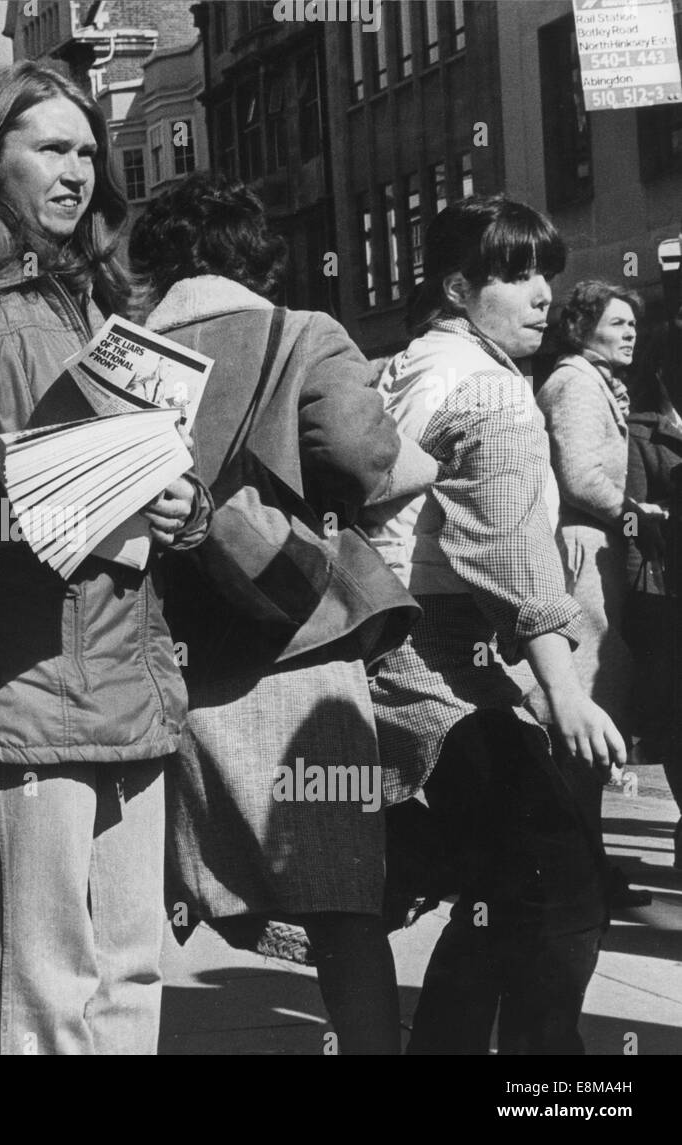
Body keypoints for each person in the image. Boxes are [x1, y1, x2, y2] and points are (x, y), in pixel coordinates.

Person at [0, 61, 208, 1055]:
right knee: (41, 980)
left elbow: (157, 487)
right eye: (49, 150)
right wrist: (90, 475)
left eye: (84, 152)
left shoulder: (103, 307)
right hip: (26, 684)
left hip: (127, 679)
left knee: (130, 971)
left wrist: (177, 504)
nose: (75, 173)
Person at [130, 172, 438, 1054]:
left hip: (164, 659)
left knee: (154, 901)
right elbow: (359, 456)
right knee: (344, 906)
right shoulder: (301, 334)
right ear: (254, 254)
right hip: (299, 648)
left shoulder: (113, 358)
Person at [361, 194, 627, 1054]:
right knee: (565, 897)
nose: (544, 293)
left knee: (498, 891)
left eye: (545, 270)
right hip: (447, 664)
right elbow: (506, 553)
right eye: (516, 276)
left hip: (391, 655)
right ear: (457, 286)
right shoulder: (491, 392)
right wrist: (562, 691)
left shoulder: (399, 369)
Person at [539, 280, 651, 909]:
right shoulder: (576, 383)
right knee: (583, 710)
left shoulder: (594, 381)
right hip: (582, 558)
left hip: (592, 552)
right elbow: (581, 475)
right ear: (581, 327)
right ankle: (578, 869)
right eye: (617, 322)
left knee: (591, 711)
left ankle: (585, 861)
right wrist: (639, 513)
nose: (631, 332)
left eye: (634, 322)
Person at [625, 297, 682, 865]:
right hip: (666, 593)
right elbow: (623, 515)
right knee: (673, 718)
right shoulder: (641, 432)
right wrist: (651, 514)